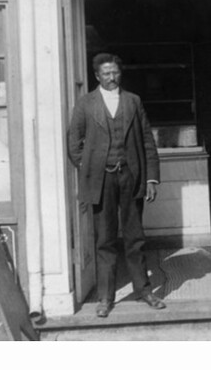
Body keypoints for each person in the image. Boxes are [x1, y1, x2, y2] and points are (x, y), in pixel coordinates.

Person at [67, 53, 165, 317]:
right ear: (97, 76)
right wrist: (90, 168)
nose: (112, 78)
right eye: (106, 73)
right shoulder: (85, 104)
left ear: (120, 73)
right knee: (105, 240)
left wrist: (151, 178)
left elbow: (147, 141)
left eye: (115, 73)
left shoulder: (133, 101)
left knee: (135, 238)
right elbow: (74, 143)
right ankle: (105, 298)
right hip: (102, 181)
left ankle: (144, 291)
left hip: (130, 177)